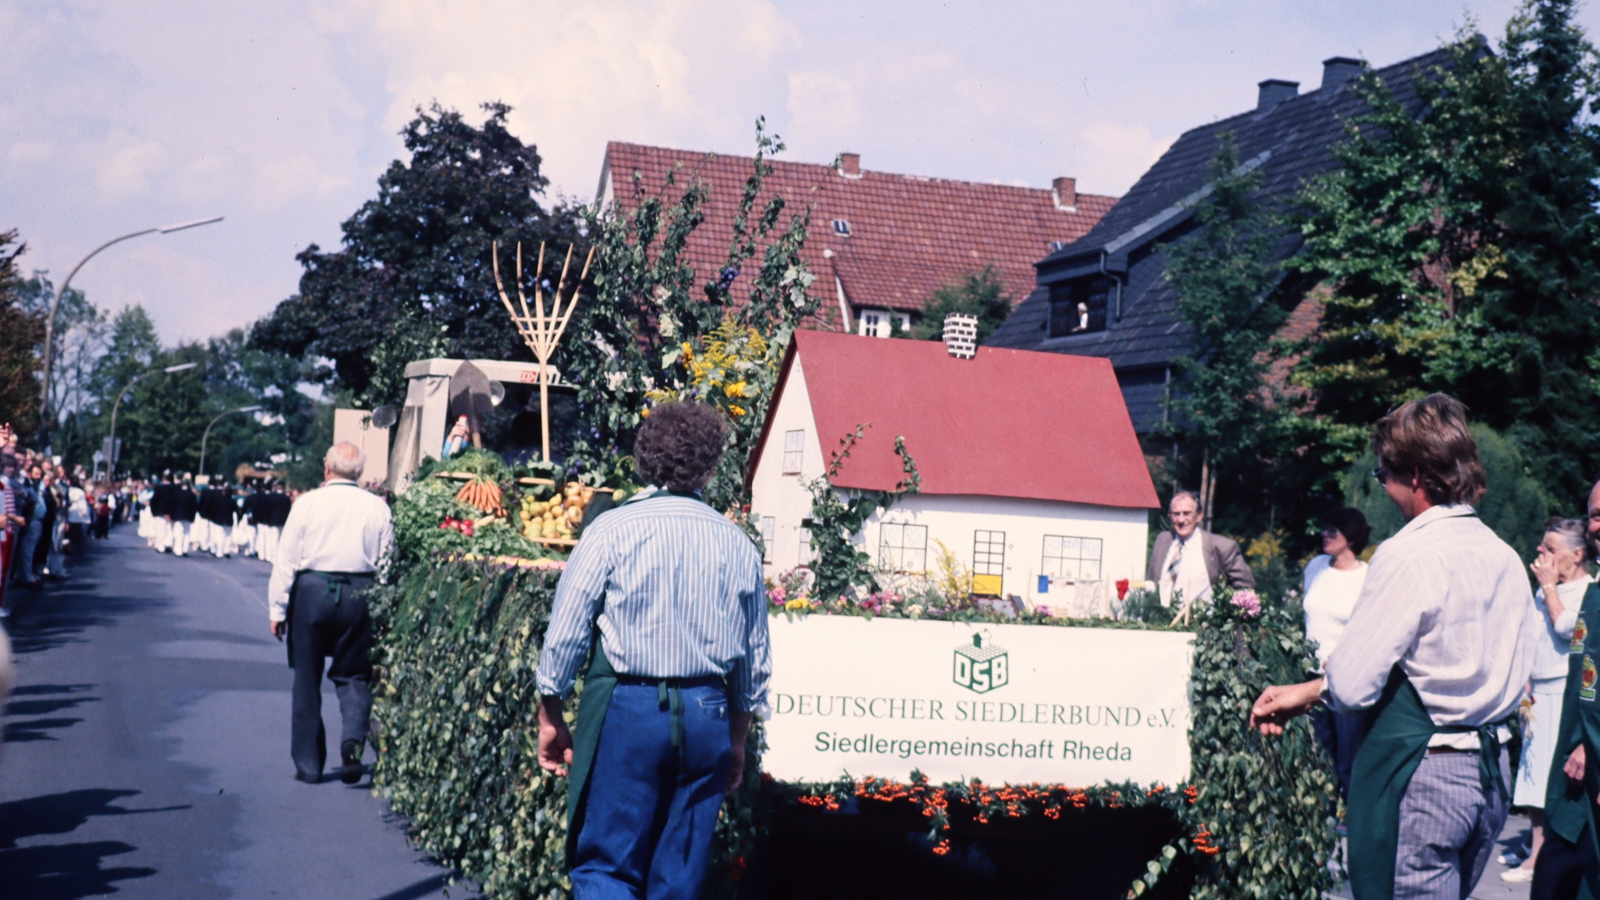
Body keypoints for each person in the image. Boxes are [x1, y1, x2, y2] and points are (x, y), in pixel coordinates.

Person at [1250, 393, 1539, 900]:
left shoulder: (1407, 554)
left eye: (1385, 474)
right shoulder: (1505, 556)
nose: (1382, 486)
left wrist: (1315, 689)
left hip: (1423, 776)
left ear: (1418, 475)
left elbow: (1353, 684)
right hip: (1491, 776)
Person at [535, 401, 770, 899]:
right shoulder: (738, 544)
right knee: (677, 879)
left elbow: (565, 635)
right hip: (709, 712)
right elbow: (753, 660)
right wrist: (738, 739)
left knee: (607, 867)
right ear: (710, 464)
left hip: (632, 710)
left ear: (644, 458)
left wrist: (550, 714)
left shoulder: (611, 531)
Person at [268, 443, 392, 784]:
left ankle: (308, 765)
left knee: (306, 678)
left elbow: (286, 559)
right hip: (359, 594)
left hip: (311, 593)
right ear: (360, 473)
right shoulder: (377, 508)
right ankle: (352, 738)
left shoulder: (307, 503)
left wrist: (277, 608)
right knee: (354, 673)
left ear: (327, 468)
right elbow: (386, 564)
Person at [1501, 518, 1594, 884]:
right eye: (1541, 546)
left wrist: (1549, 589)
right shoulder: (1545, 591)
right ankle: (1535, 844)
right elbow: (1534, 637)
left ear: (1577, 554)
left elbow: (1567, 630)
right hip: (1539, 691)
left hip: (1565, 693)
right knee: (1531, 771)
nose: (1541, 554)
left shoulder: (1589, 589)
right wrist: (1524, 684)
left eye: (1550, 549)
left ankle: (1543, 856)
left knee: (1550, 776)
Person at [1303, 506, 1373, 799]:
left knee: (1348, 758)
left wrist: (1344, 659)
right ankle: (1323, 817)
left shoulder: (1366, 578)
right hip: (1309, 676)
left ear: (1352, 538)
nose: (1325, 534)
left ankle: (1354, 819)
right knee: (1318, 754)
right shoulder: (1316, 566)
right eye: (1324, 527)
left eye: (1334, 530)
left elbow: (1370, 632)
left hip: (1345, 679)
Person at [1147, 490, 1255, 615]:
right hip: (1162, 624)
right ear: (1170, 516)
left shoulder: (1221, 547)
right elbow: (1151, 582)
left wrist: (1220, 612)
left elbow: (1245, 587)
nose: (1181, 519)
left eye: (1187, 513)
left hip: (1201, 627)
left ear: (1199, 515)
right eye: (1176, 514)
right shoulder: (1163, 541)